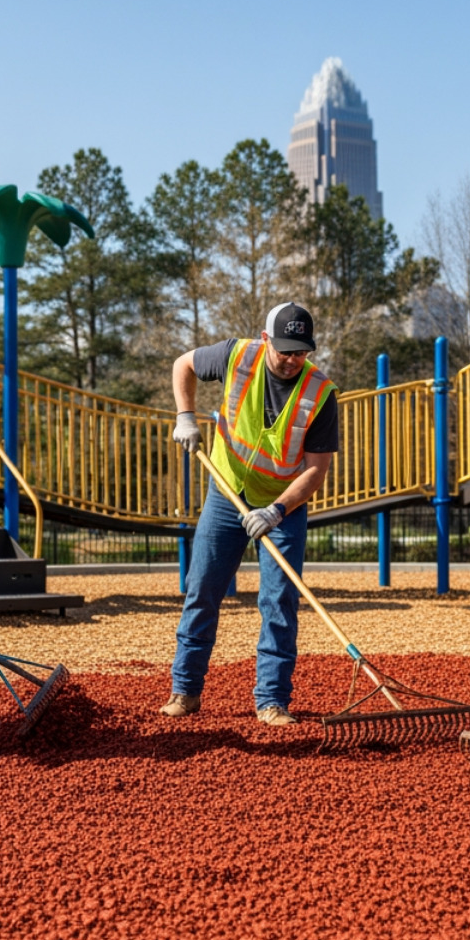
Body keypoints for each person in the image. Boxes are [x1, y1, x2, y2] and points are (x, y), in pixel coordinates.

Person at [162, 302, 339, 725]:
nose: (293, 359)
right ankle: (185, 691)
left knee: (279, 601)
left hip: (283, 505)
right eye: (285, 350)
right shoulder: (237, 356)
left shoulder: (321, 394)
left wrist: (277, 511)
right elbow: (183, 365)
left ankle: (272, 700)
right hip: (227, 492)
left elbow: (316, 470)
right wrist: (185, 417)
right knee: (203, 591)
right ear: (265, 340)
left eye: (301, 352)